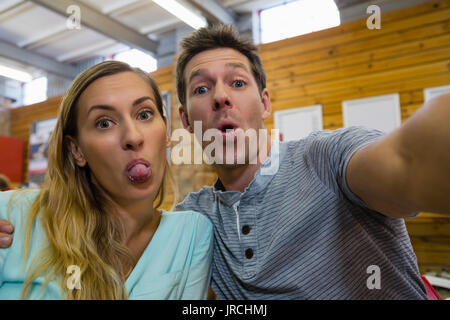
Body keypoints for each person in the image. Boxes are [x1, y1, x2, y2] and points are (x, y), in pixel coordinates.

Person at [2, 24, 450, 300]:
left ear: (265, 101)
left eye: (236, 82)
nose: (219, 96)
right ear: (183, 119)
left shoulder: (326, 158)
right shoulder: (193, 223)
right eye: (200, 89)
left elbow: (409, 161)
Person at [0, 60, 213, 299]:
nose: (133, 136)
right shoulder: (14, 215)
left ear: (165, 132)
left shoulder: (191, 234)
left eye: (144, 114)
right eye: (104, 123)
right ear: (77, 150)